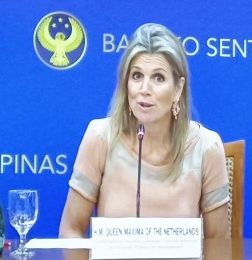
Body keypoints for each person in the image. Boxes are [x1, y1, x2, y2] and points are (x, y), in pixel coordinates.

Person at [59, 23, 229, 239]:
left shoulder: (206, 148)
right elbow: (70, 230)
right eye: (137, 76)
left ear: (178, 89)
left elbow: (219, 244)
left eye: (158, 78)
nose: (144, 90)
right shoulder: (100, 137)